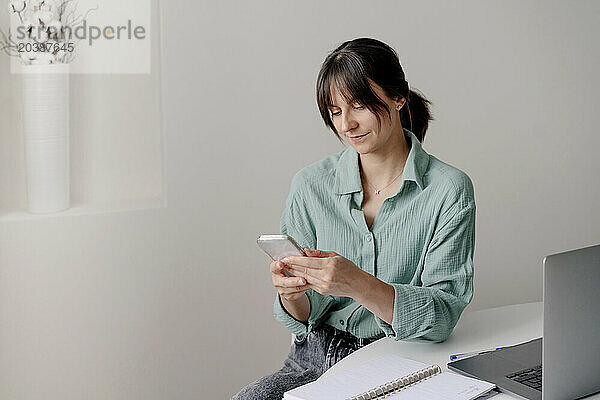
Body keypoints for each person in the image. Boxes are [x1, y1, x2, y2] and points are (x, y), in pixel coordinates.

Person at [232, 37, 475, 400]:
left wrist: (357, 283)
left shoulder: (448, 190)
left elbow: (441, 317)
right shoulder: (310, 185)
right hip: (313, 360)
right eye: (334, 111)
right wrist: (291, 295)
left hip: (401, 360)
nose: (346, 124)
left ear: (398, 97)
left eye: (359, 105)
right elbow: (304, 317)